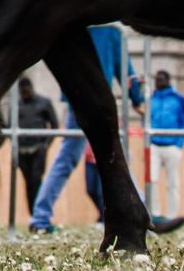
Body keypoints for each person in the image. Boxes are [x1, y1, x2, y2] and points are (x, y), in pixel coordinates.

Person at [29, 24, 143, 234]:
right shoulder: (111, 31)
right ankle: (142, 210)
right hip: (99, 103)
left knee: (65, 160)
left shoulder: (73, 23)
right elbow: (126, 70)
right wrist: (138, 99)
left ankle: (40, 217)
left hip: (76, 99)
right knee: (115, 156)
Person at [146, 69, 184, 232]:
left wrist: (179, 144)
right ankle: (156, 214)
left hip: (172, 145)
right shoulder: (150, 99)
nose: (158, 81)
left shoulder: (178, 100)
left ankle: (172, 215)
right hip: (154, 144)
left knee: (172, 182)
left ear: (168, 80)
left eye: (161, 79)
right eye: (156, 79)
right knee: (152, 179)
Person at [13, 76, 61, 210]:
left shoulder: (44, 103)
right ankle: (32, 212)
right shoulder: (17, 105)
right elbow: (10, 126)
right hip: (22, 150)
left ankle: (39, 211)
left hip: (38, 148)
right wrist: (15, 144)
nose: (25, 95)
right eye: (22, 93)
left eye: (26, 92)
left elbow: (55, 125)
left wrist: (46, 145)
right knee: (28, 181)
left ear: (31, 89)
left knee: (36, 179)